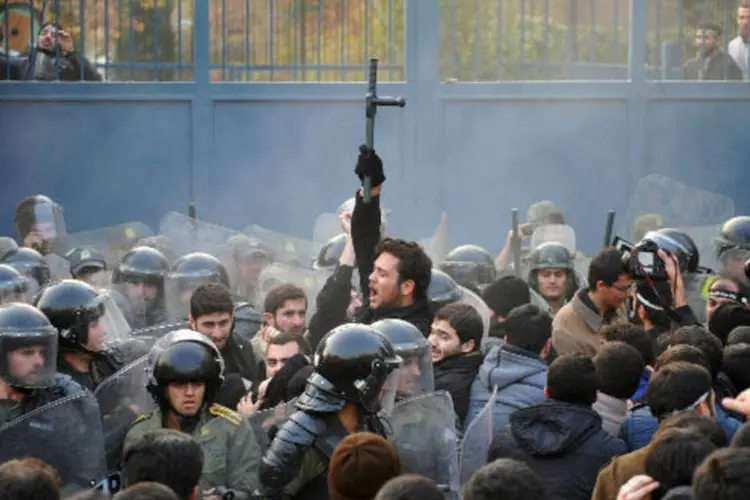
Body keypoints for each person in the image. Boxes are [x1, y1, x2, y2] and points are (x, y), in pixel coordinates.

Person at [258, 323, 402, 499]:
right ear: (358, 382)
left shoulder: (371, 423)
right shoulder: (300, 438)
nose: (386, 386)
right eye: (381, 379)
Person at [123, 330, 260, 499]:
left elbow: (251, 489)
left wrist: (228, 497)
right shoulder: (141, 434)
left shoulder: (232, 428)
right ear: (164, 389)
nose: (189, 393)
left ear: (207, 387)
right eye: (179, 385)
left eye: (197, 384)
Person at [0, 303, 105, 490]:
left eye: (42, 352)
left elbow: (87, 471)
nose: (39, 361)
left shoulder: (63, 400)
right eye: (27, 353)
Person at [552, 248, 631, 356]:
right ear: (601, 286)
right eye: (623, 289)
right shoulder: (565, 328)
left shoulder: (619, 307)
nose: (629, 294)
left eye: (630, 287)